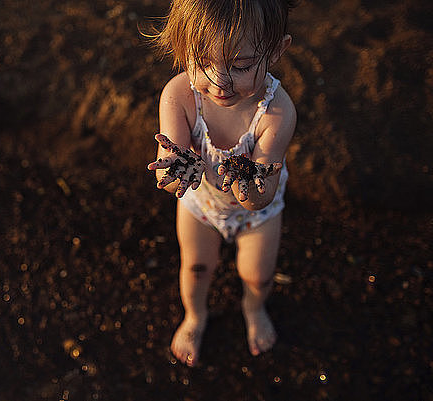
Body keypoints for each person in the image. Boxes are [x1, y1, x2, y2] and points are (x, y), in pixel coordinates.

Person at [147, 0, 296, 366]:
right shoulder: (179, 95)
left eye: (240, 65)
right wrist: (175, 171)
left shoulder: (277, 113)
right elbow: (168, 173)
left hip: (257, 213)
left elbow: (259, 197)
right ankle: (195, 316)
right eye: (202, 62)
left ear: (276, 51)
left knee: (258, 276)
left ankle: (253, 308)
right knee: (196, 267)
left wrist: (246, 183)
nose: (219, 81)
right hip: (201, 205)